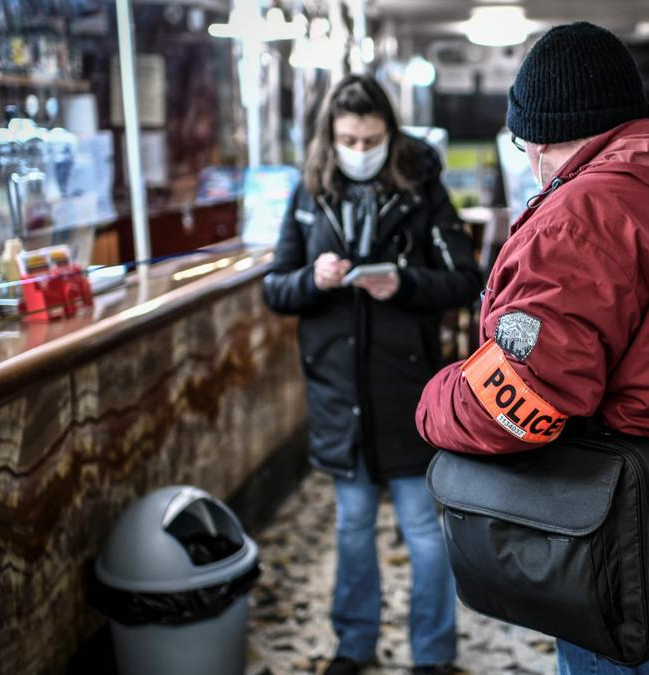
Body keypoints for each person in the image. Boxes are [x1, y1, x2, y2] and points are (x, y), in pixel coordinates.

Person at [416, 22, 649, 675]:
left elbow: (520, 398)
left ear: (536, 138)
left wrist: (434, 400)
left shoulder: (585, 216)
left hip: (636, 559)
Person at [263, 75, 482, 675]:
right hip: (338, 390)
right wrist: (315, 278)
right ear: (329, 139)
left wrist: (404, 282)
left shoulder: (421, 187)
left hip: (408, 389)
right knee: (353, 525)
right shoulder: (310, 192)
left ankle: (433, 654)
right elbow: (276, 288)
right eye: (348, 139)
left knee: (423, 528)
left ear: (391, 133)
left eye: (371, 137)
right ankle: (352, 645)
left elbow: (467, 280)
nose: (360, 148)